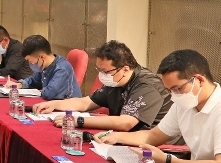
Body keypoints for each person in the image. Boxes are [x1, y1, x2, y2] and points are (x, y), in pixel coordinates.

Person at [97, 49, 221, 163]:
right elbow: (153, 136)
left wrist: (168, 161)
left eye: (177, 89)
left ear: (199, 80)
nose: (173, 96)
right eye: (169, 90)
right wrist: (116, 137)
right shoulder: (184, 105)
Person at [36, 40, 171, 132]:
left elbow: (126, 123)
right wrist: (55, 104)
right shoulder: (116, 81)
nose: (102, 75)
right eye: (99, 70)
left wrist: (79, 121)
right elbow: (86, 103)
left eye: (105, 72)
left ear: (125, 69)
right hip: (122, 137)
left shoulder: (147, 85)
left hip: (153, 146)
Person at [10, 35, 80, 101]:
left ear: (41, 57)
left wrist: (42, 91)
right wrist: (20, 84)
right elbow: (34, 80)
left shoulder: (62, 68)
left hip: (68, 107)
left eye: (30, 61)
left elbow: (49, 94)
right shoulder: (44, 66)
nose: (30, 64)